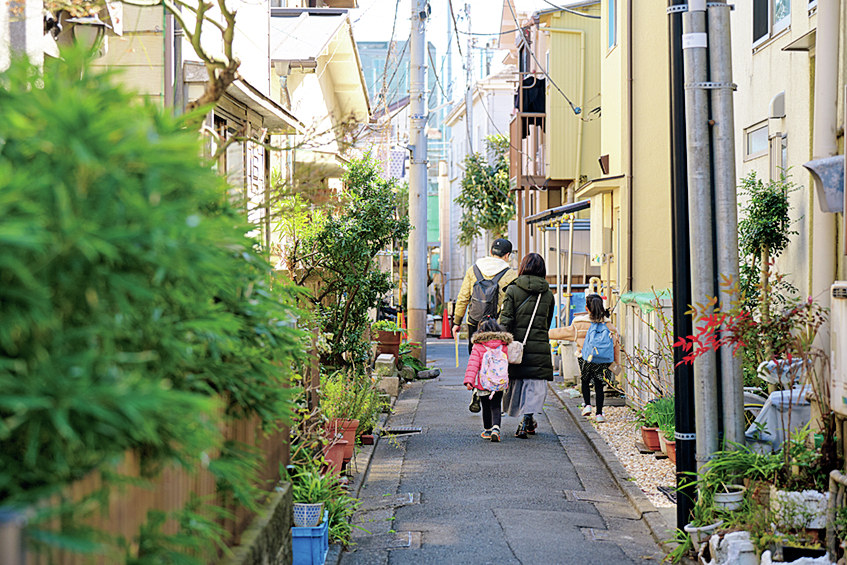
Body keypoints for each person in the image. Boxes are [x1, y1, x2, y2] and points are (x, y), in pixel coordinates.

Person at [452, 238, 517, 413]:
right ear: (507, 255)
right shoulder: (510, 274)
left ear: (490, 252)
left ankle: (476, 390)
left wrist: (457, 322)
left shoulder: (473, 270)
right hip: (498, 324)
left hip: (475, 323)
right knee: (497, 360)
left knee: (477, 358)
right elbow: (512, 303)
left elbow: (463, 297)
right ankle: (494, 396)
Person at [498, 253, 556, 438]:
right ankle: (527, 420)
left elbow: (505, 320)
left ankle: (524, 421)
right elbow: (547, 322)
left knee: (518, 383)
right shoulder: (548, 294)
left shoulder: (512, 290)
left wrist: (500, 343)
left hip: (516, 346)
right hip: (539, 345)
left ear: (523, 267)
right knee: (534, 385)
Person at [549, 293, 621, 423]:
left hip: (585, 357)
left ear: (587, 308)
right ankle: (599, 413)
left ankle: (587, 405)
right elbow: (615, 346)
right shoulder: (609, 325)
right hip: (602, 358)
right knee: (599, 384)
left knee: (585, 380)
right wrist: (616, 366)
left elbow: (562, 332)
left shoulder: (579, 323)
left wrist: (542, 333)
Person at [463, 318, 513, 442]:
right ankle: (496, 428)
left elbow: (473, 365)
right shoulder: (503, 345)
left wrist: (469, 381)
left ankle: (488, 430)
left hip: (483, 383)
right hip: (499, 382)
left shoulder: (478, 346)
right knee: (496, 406)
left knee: (486, 406)